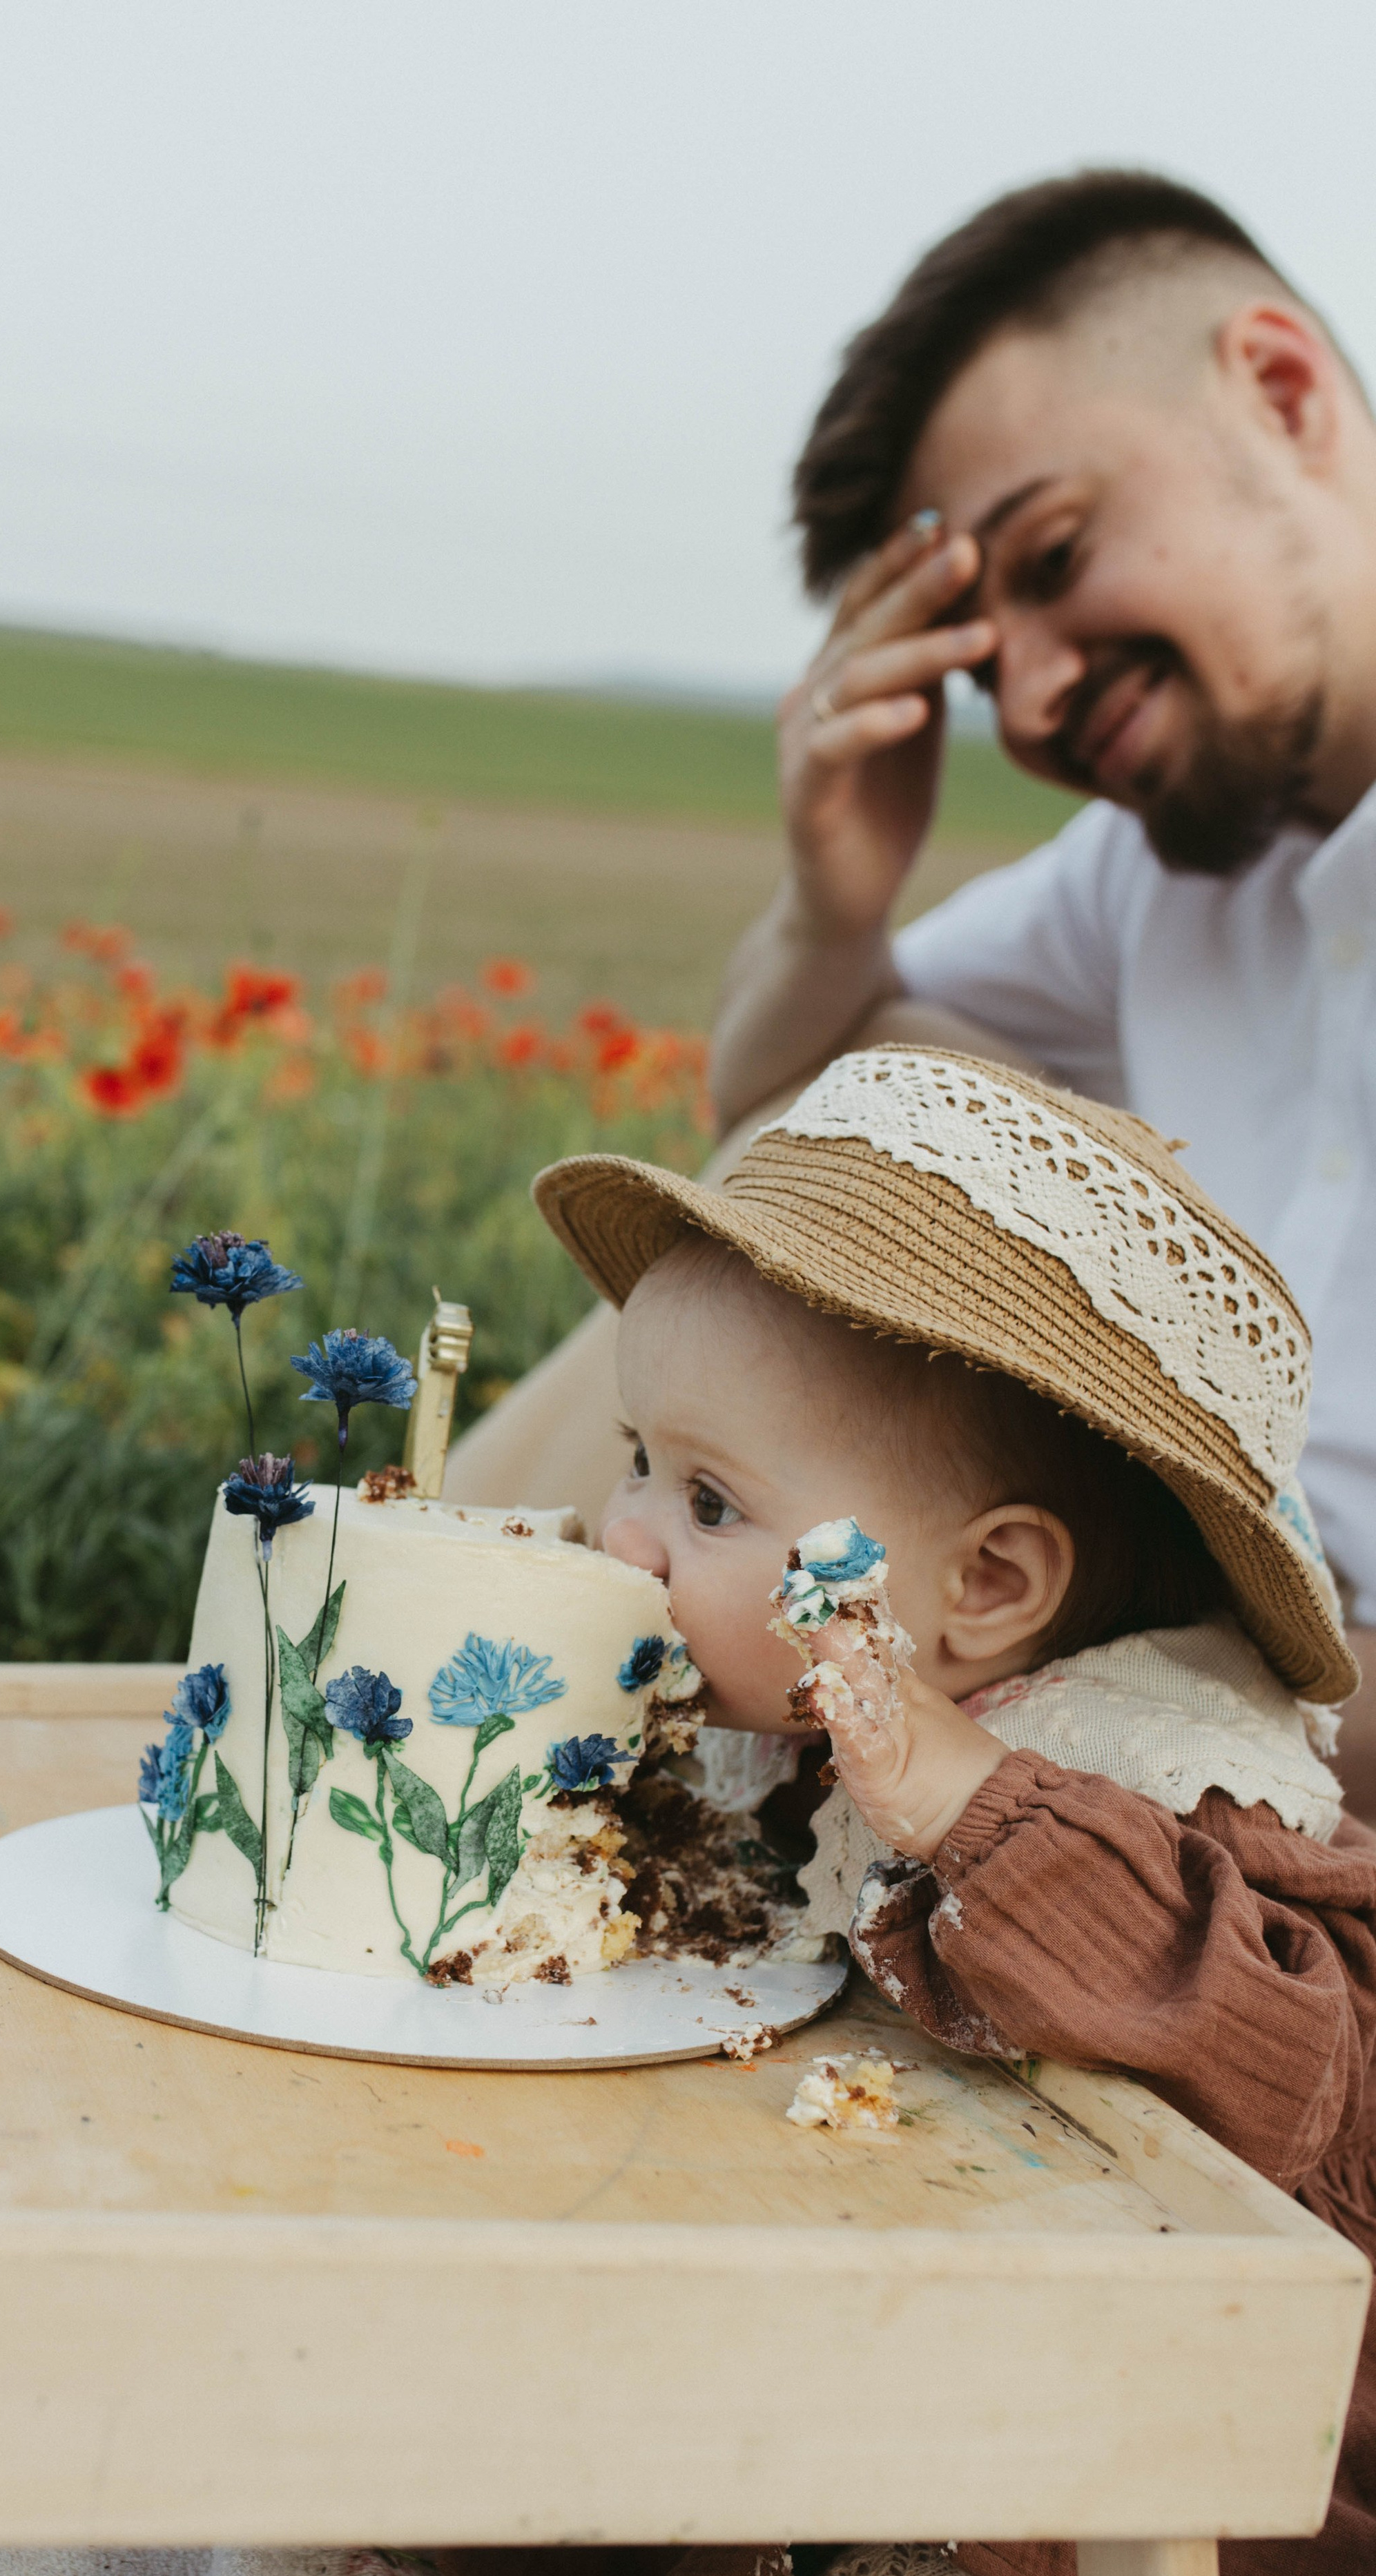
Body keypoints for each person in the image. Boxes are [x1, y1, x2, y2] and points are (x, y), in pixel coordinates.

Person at [448, 1046, 1376, 2576]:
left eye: (709, 1500)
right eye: (638, 1458)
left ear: (988, 1589)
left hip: (1199, 2459)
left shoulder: (1167, 1787)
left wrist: (959, 1802)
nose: (629, 1539)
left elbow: (1298, 2072)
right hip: (915, 2319)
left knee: (1010, 2560)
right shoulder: (796, 1719)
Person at [446, 168, 1376, 1817]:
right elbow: (776, 1098)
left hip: (1279, 1730)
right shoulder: (1151, 873)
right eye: (964, 656)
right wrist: (833, 900)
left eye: (1054, 552)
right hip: (1080, 1633)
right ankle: (417, 1726)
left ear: (1283, 391)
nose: (1023, 692)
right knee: (826, 1157)